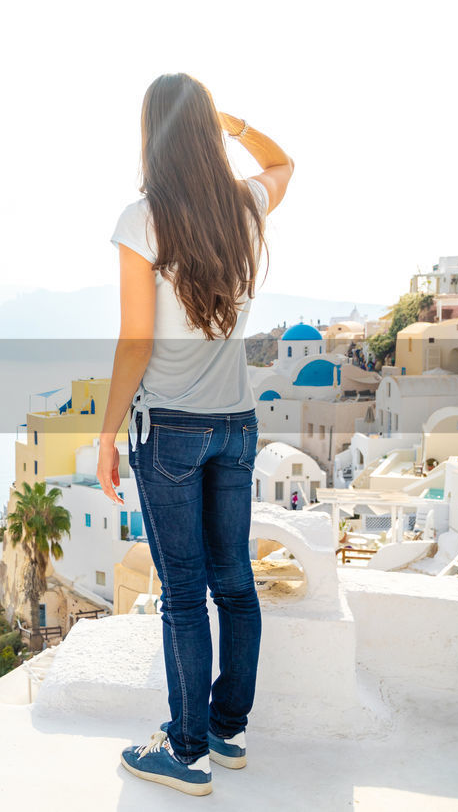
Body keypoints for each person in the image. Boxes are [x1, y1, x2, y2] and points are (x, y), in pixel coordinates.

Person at [96, 73, 294, 797]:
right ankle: (226, 730)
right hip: (236, 426)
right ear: (204, 133)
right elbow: (283, 165)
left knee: (183, 593)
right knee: (233, 584)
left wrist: (106, 433)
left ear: (152, 134)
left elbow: (134, 342)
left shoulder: (142, 217)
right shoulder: (241, 206)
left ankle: (185, 753)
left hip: (169, 433)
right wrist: (234, 125)